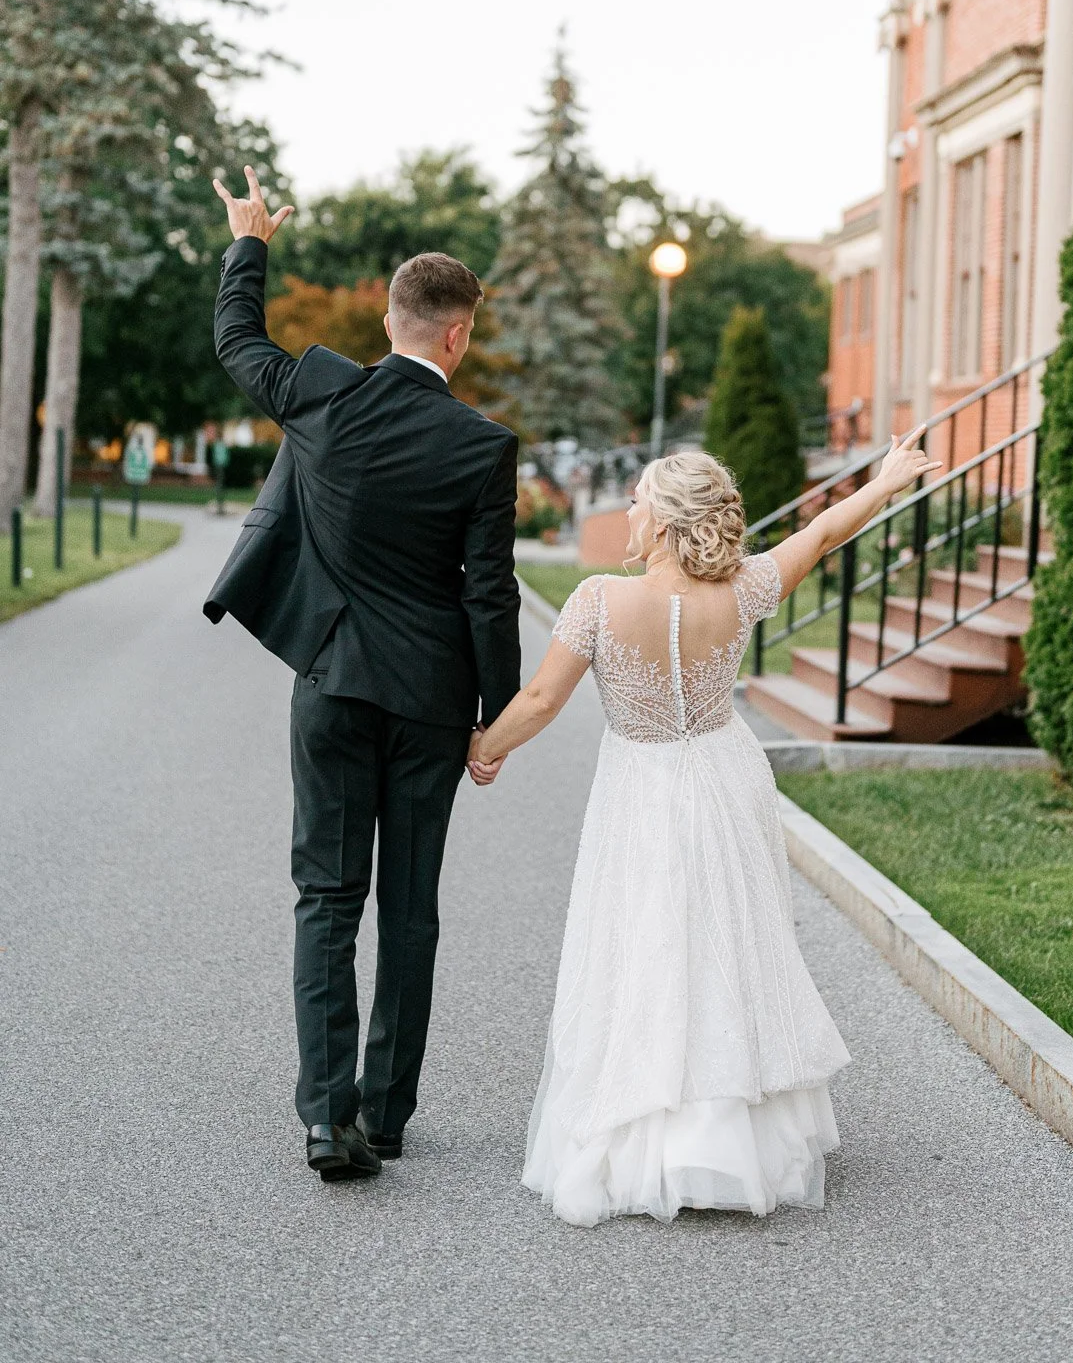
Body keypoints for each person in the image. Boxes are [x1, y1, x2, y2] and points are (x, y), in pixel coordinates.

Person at [467, 439, 939, 1227]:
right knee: (726, 942)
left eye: (638, 498)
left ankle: (650, 1132)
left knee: (648, 944)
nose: (628, 509)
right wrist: (887, 482)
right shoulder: (744, 589)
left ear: (662, 522)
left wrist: (486, 748)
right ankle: (732, 1132)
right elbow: (823, 534)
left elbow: (544, 697)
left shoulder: (597, 601)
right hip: (725, 777)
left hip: (643, 786)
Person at [205, 166, 521, 1184]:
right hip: (430, 704)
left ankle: (322, 1117)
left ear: (390, 320)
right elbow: (489, 596)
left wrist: (250, 242)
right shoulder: (481, 447)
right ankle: (383, 1117)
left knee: (325, 899)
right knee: (410, 907)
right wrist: (496, 718)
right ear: (457, 334)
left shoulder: (320, 397)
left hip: (333, 688)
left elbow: (237, 344)